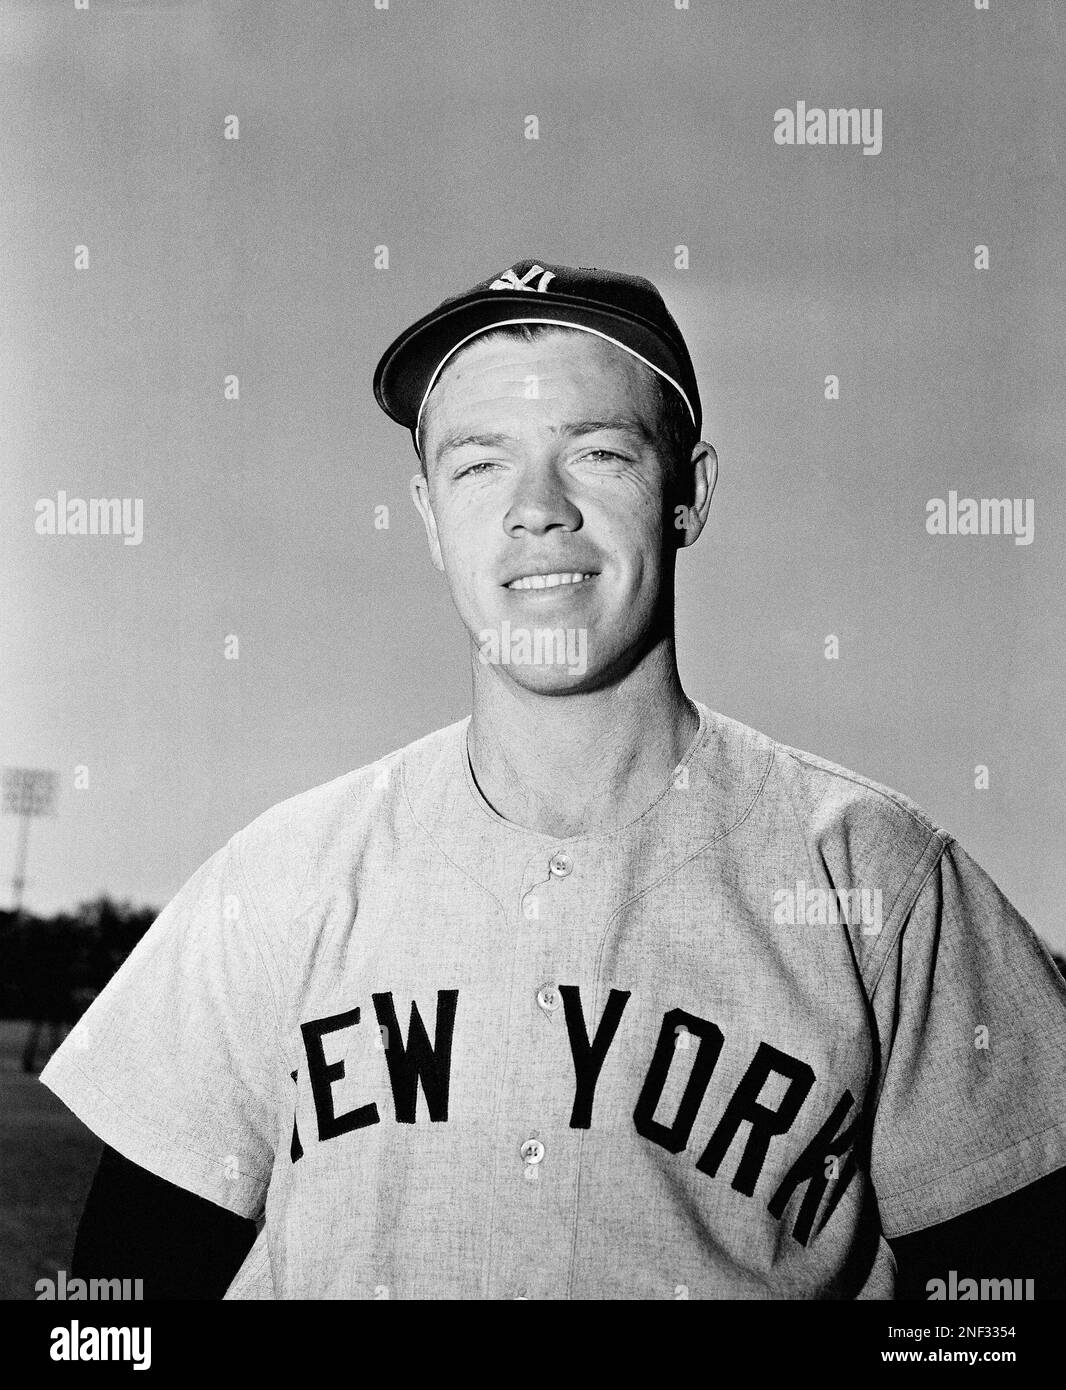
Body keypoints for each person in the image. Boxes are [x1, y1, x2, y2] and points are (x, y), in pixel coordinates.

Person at [42, 258, 1066, 1299]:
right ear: (430, 514)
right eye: (480, 466)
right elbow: (118, 1307)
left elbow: (1008, 1304)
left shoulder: (876, 879)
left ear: (688, 492)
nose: (539, 509)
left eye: (598, 452)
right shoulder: (278, 878)